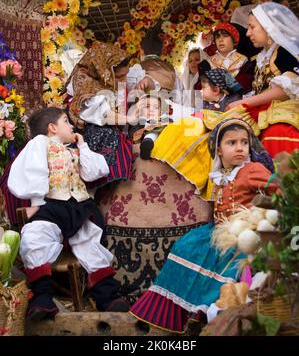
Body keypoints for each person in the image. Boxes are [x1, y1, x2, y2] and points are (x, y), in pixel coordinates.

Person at [130, 119, 277, 333]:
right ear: (219, 149)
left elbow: (277, 188)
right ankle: (190, 313)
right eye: (232, 143)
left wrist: (267, 217)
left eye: (244, 143)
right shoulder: (220, 176)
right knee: (186, 246)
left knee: (225, 258)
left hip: (243, 233)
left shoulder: (252, 169)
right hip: (218, 229)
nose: (240, 148)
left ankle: (213, 311)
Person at [7, 107, 130, 321]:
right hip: (52, 204)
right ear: (52, 128)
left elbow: (96, 172)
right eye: (66, 121)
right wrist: (36, 200)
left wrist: (83, 146)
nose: (72, 126)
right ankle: (43, 298)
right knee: (35, 236)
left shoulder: (75, 150)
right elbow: (32, 169)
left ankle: (107, 297)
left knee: (89, 242)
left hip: (80, 206)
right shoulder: (40, 143)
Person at [226, 2, 299, 156]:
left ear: (268, 27)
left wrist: (244, 103)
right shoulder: (261, 57)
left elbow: (285, 90)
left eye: (252, 27)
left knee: (276, 133)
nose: (247, 33)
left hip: (284, 109)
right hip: (263, 110)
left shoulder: (286, 52)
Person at [66, 41, 135, 186]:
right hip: (85, 134)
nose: (124, 81)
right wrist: (130, 119)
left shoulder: (100, 78)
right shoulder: (85, 82)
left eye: (125, 75)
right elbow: (104, 116)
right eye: (120, 77)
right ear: (105, 71)